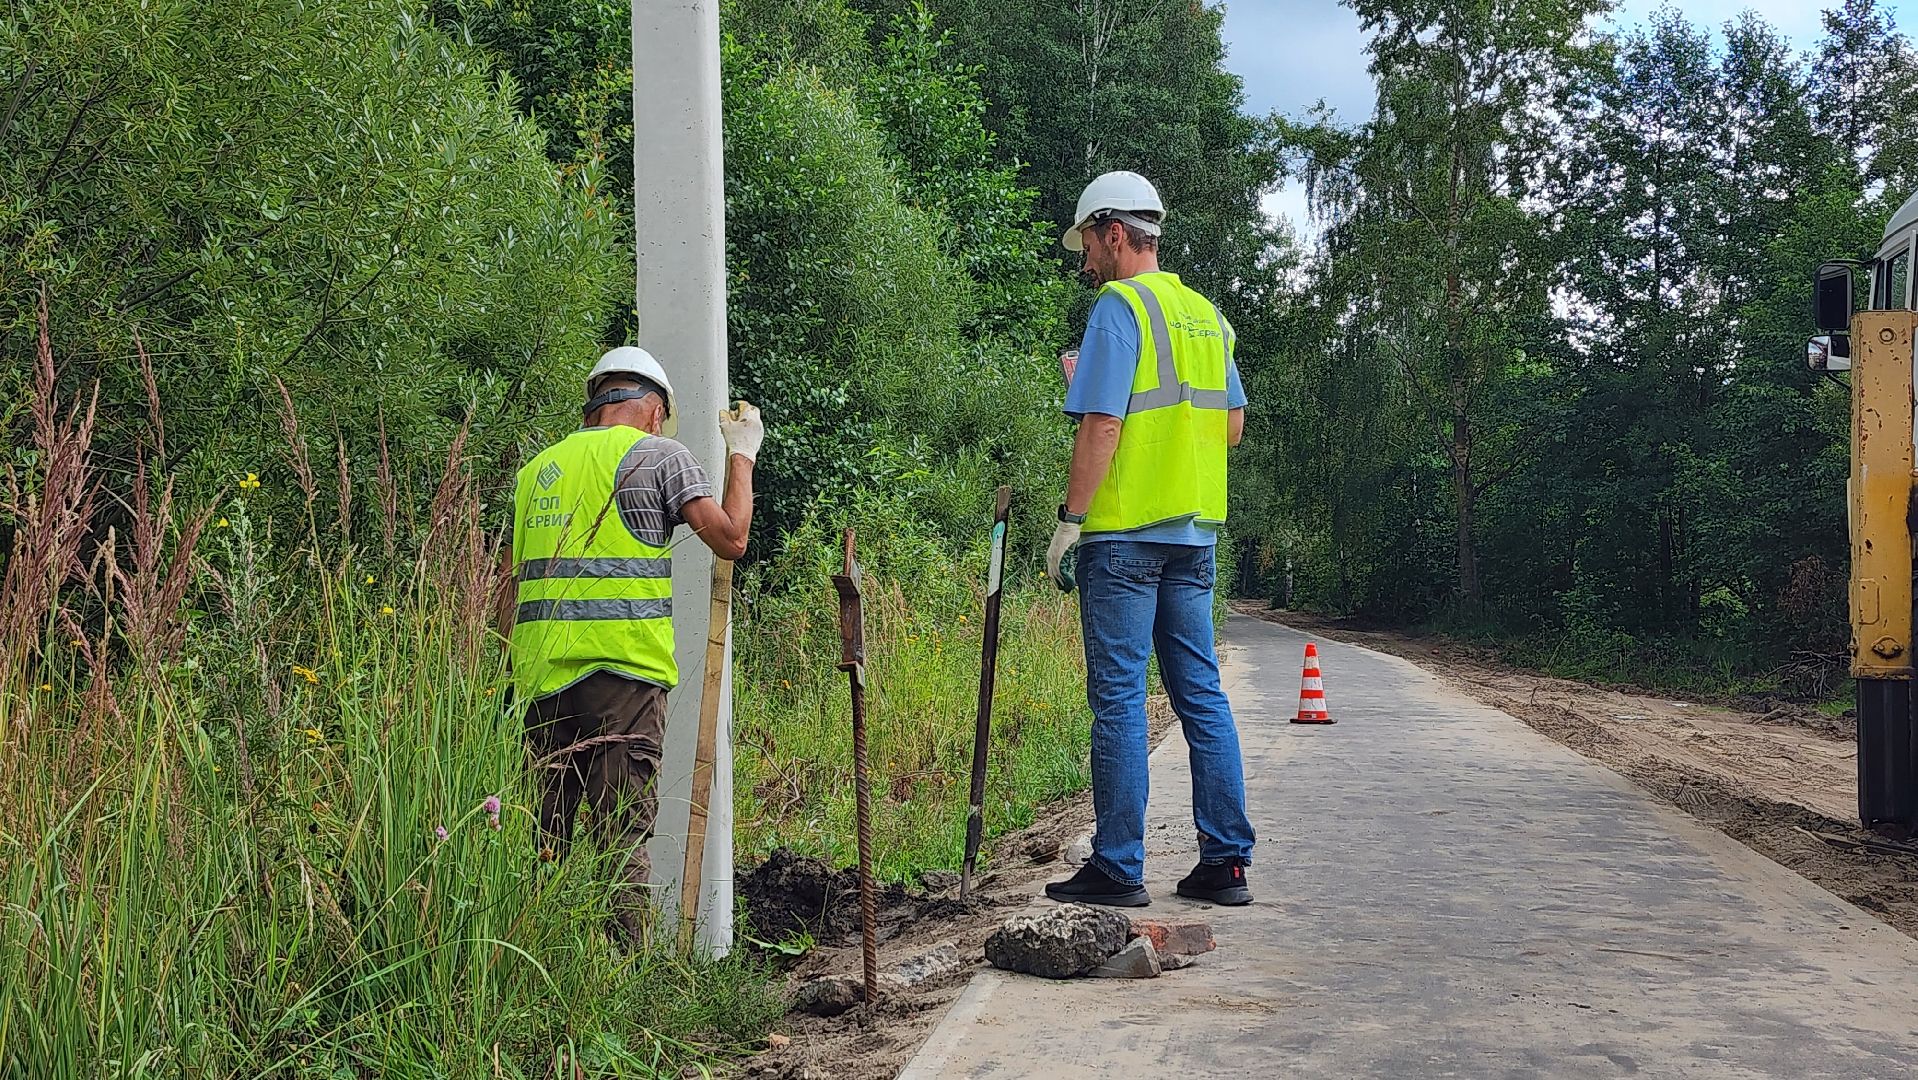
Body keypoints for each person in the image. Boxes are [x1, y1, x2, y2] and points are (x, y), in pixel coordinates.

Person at [1042, 171, 1256, 908]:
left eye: (1090, 247)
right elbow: (1230, 425)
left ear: (1113, 232)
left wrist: (1070, 521)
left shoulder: (1118, 305)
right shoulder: (1204, 314)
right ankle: (1225, 864)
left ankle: (1118, 867)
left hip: (1125, 536)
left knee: (1122, 702)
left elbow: (1103, 424)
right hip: (1193, 536)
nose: (1087, 263)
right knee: (1200, 694)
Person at [498, 346, 762, 940]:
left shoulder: (537, 470)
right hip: (624, 678)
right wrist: (741, 457)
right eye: (661, 417)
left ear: (595, 404)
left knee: (546, 844)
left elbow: (509, 586)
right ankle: (628, 986)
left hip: (540, 685)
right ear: (651, 408)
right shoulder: (660, 456)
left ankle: (543, 974)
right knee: (621, 843)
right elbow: (732, 539)